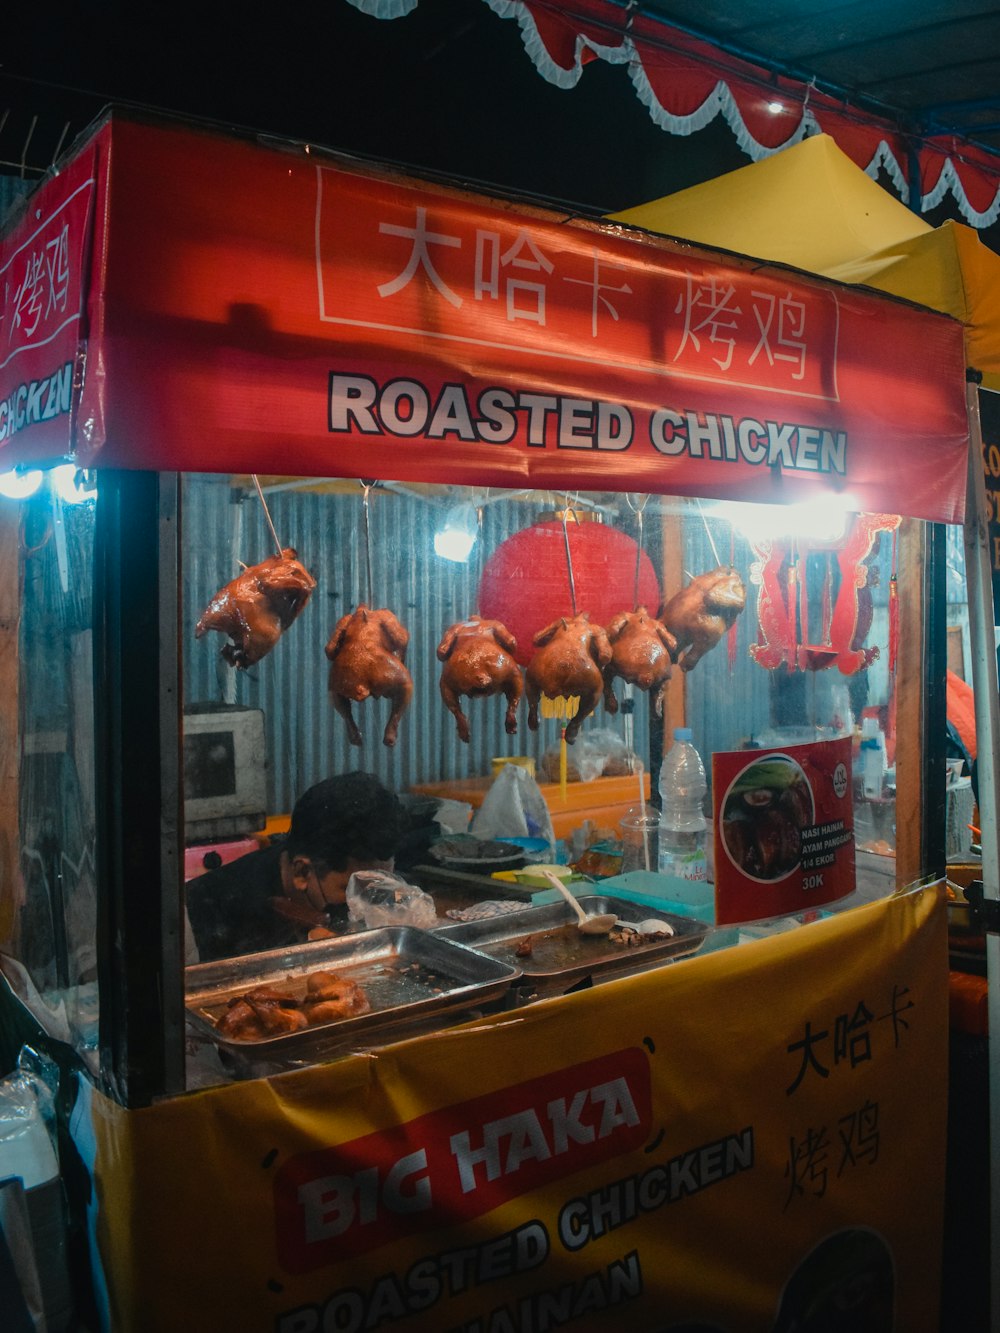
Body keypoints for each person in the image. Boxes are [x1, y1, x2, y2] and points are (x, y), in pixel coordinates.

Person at [186, 771, 405, 962]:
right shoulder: (222, 918)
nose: (367, 902)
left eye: (381, 883)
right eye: (354, 889)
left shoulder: (330, 872)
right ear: (302, 872)